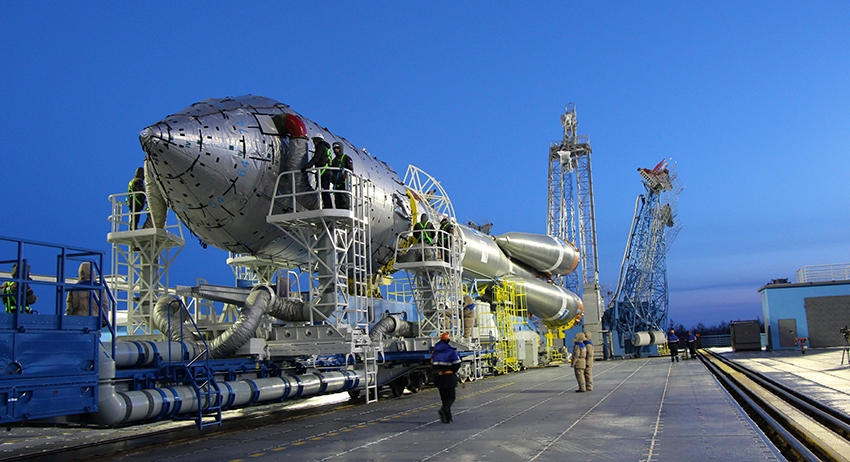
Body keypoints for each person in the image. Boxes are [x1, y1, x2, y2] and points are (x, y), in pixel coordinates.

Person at [66, 262, 108, 326]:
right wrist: (104, 321)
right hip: (94, 320)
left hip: (78, 320)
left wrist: (68, 321)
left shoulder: (74, 289)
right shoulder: (100, 288)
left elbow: (70, 307)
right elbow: (104, 305)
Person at [431, 332, 461, 423]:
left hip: (438, 377)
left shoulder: (435, 351)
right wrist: (453, 371)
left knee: (444, 398)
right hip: (449, 376)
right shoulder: (451, 351)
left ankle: (447, 418)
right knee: (451, 397)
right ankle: (444, 410)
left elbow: (432, 363)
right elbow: (457, 363)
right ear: (448, 340)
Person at [301, 134, 333, 208]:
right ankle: (327, 206)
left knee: (324, 190)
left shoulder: (320, 147)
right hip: (327, 172)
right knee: (325, 190)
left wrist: (306, 167)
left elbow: (316, 158)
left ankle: (327, 206)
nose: (314, 143)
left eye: (314, 141)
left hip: (323, 172)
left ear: (317, 140)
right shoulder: (326, 148)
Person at [330, 141, 353, 209]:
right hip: (336, 184)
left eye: (337, 148)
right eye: (335, 149)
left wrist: (344, 176)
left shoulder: (346, 158)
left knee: (344, 199)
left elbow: (350, 169)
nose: (336, 150)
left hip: (344, 183)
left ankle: (345, 209)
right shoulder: (334, 160)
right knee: (337, 201)